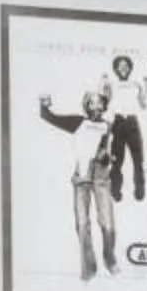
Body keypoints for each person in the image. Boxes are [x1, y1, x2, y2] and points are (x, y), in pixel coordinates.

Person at [37, 89, 122, 279]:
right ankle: (89, 269)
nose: (96, 106)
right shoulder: (78, 122)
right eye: (92, 102)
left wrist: (110, 157)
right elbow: (50, 117)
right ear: (87, 106)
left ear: (103, 106)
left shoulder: (108, 126)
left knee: (108, 224)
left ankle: (110, 260)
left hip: (101, 175)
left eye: (99, 102)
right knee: (82, 224)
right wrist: (44, 104)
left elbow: (112, 152)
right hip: (82, 173)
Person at [98, 54, 147, 202]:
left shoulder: (136, 84)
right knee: (117, 160)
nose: (123, 68)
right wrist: (102, 84)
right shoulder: (112, 84)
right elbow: (104, 103)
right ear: (116, 69)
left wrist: (146, 86)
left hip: (132, 122)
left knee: (138, 159)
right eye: (120, 66)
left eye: (126, 66)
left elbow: (143, 104)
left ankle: (140, 190)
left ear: (130, 68)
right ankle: (115, 190)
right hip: (118, 122)